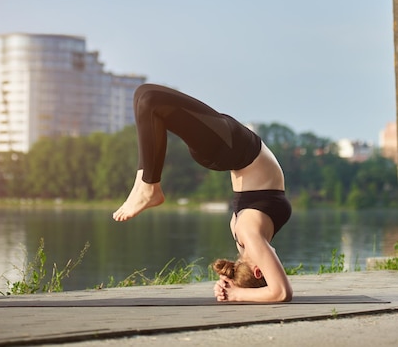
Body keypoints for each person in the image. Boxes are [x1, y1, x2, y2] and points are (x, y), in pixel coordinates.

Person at [113, 83, 293, 303]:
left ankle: (149, 185)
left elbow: (282, 292)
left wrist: (235, 291)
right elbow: (276, 287)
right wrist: (233, 287)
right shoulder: (248, 237)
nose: (273, 256)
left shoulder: (248, 234)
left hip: (233, 148)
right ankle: (146, 181)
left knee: (150, 98)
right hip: (230, 148)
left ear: (258, 271)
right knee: (146, 98)